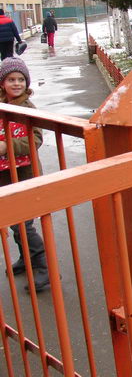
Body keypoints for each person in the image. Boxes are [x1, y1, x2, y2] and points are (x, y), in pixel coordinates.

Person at [0, 57, 50, 292]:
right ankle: (26, 259)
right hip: (4, 175)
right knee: (13, 221)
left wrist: (5, 146)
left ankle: (44, 268)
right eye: (11, 79)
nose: (16, 83)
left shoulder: (27, 109)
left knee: (24, 224)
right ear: (3, 83)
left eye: (21, 79)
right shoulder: (1, 105)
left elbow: (36, 140)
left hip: (25, 174)